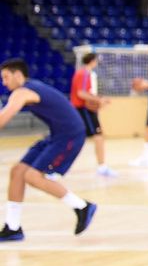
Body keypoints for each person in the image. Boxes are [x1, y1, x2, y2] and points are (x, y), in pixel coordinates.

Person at [0, 58, 98, 242]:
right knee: (18, 171)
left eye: (6, 77)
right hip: (57, 134)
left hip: (70, 135)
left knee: (32, 176)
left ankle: (82, 206)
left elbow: (3, 119)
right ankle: (13, 227)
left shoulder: (22, 92)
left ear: (18, 75)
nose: (4, 83)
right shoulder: (31, 87)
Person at [70, 52, 117, 177]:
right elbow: (81, 93)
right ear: (92, 61)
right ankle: (102, 167)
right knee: (97, 137)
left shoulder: (85, 73)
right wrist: (99, 100)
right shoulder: (84, 73)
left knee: (90, 137)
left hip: (83, 109)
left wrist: (98, 98)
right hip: (83, 109)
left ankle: (102, 166)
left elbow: (86, 93)